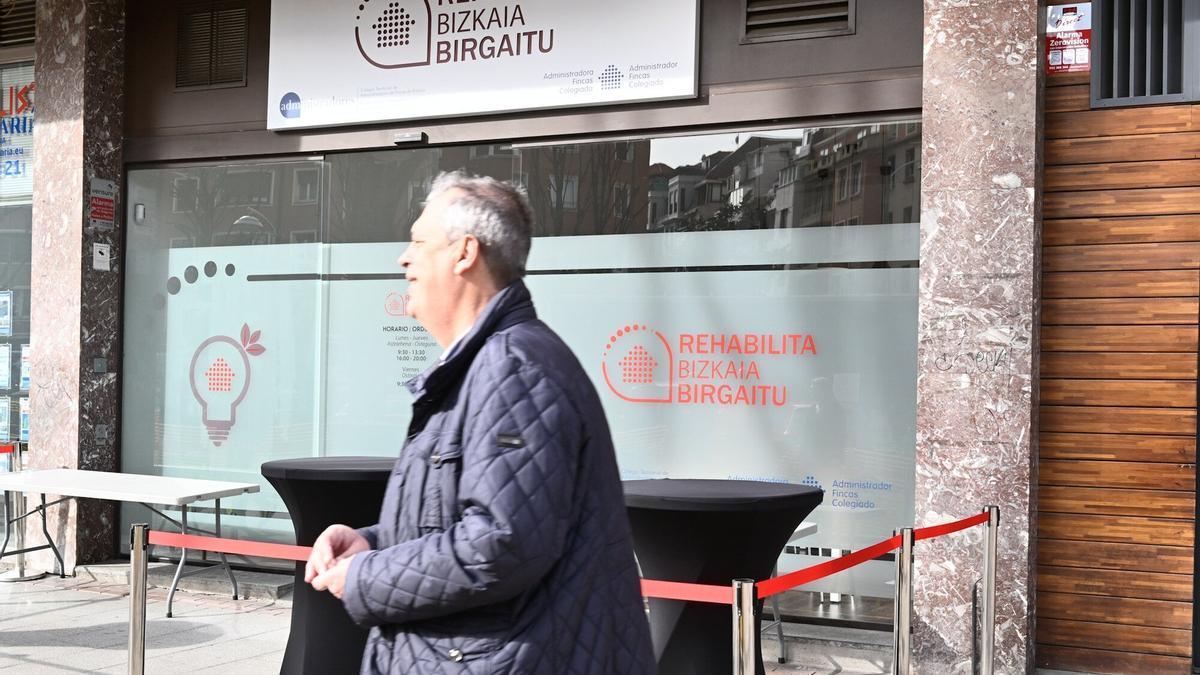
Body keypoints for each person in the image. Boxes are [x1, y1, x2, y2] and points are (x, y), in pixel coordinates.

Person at [305, 171, 655, 674]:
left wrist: (367, 576)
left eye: (418, 241)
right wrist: (372, 542)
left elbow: (501, 543)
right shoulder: (489, 364)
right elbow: (469, 520)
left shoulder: (513, 367)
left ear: (464, 253)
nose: (404, 259)